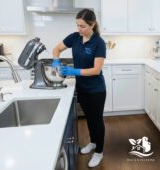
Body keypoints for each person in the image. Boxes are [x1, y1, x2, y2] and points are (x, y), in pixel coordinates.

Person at [52, 9, 106, 168]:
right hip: (81, 87)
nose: (79, 29)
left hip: (96, 90)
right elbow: (57, 49)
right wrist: (56, 62)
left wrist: (74, 71)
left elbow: (96, 70)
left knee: (97, 120)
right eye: (77, 25)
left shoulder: (99, 43)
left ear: (92, 25)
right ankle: (93, 143)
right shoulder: (74, 37)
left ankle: (99, 152)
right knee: (89, 118)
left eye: (82, 26)